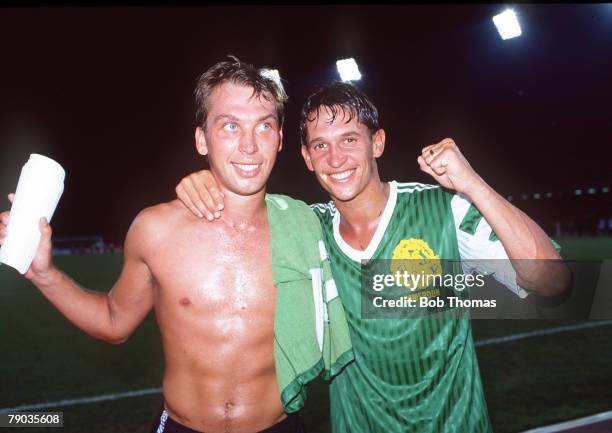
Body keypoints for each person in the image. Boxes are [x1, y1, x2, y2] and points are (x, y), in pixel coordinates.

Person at [175, 81, 570, 432]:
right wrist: (207, 180)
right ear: (307, 158)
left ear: (377, 142)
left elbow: (552, 282)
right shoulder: (308, 228)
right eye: (320, 146)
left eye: (349, 140)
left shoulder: (441, 210)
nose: (335, 159)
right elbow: (241, 211)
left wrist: (472, 184)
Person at [0, 58, 353, 433]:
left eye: (264, 126)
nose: (249, 146)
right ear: (202, 138)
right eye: (230, 125)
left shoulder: (310, 226)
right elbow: (114, 322)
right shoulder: (156, 229)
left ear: (280, 138)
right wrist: (44, 274)